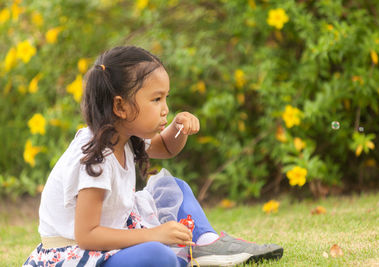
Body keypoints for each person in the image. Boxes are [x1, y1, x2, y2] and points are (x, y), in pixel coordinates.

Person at [23, 46, 283, 267]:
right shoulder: (96, 158)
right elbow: (87, 236)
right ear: (120, 106)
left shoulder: (124, 134)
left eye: (166, 98)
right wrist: (155, 235)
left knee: (173, 188)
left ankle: (206, 244)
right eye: (156, 99)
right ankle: (182, 256)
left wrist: (179, 128)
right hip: (79, 255)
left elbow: (167, 148)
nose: (165, 109)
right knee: (158, 255)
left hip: (116, 231)